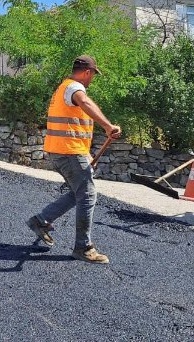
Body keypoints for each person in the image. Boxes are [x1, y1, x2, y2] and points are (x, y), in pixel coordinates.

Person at [26, 56, 121, 264]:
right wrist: (107, 126)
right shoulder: (73, 88)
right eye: (93, 75)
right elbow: (85, 101)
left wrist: (85, 152)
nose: (92, 79)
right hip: (68, 152)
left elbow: (81, 113)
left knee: (77, 193)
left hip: (63, 150)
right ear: (88, 72)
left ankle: (41, 221)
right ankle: (83, 247)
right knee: (88, 195)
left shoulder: (65, 88)